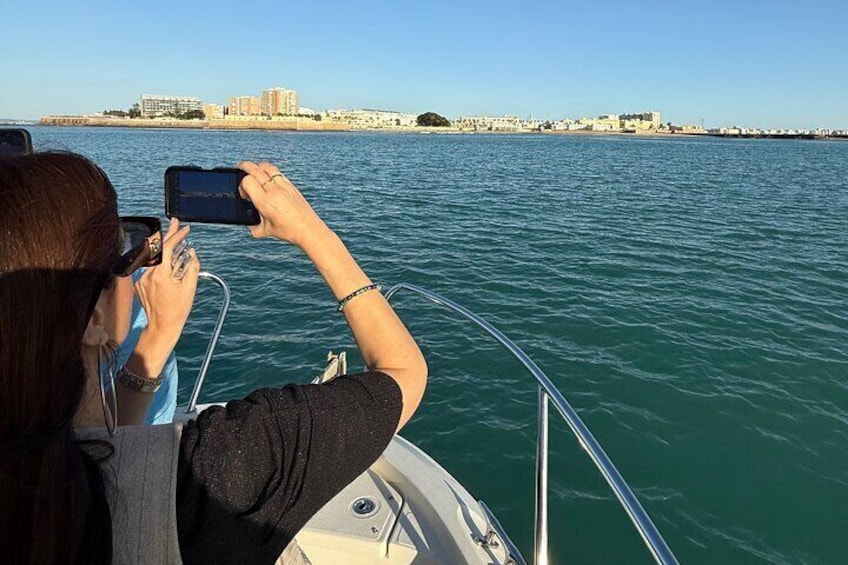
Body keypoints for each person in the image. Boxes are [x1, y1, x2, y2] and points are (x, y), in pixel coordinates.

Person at [0, 152, 428, 565]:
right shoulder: (223, 469)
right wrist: (313, 232)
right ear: (93, 316)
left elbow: (112, 450)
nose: (140, 260)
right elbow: (403, 374)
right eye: (127, 249)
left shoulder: (36, 469)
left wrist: (159, 334)